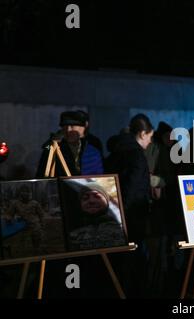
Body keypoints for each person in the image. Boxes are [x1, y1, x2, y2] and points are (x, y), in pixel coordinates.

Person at [104, 113, 154, 297]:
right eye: (150, 136)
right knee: (134, 265)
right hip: (132, 219)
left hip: (113, 216)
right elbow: (132, 190)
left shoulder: (116, 152)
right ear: (142, 133)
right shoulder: (136, 156)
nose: (150, 142)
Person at [36, 111, 103, 177]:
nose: (68, 130)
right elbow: (45, 148)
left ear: (83, 127)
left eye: (72, 126)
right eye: (65, 126)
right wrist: (52, 142)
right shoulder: (56, 144)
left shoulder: (92, 143)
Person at [68, 182, 126, 251]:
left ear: (107, 201)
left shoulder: (123, 228)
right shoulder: (72, 236)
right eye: (85, 198)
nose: (91, 201)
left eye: (97, 196)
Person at [3, 184, 44, 255]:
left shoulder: (35, 203)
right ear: (20, 193)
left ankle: (36, 253)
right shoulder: (15, 203)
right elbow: (9, 214)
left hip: (35, 226)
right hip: (22, 227)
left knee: (37, 245)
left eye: (27, 192)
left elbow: (41, 214)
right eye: (23, 191)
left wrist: (42, 224)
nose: (25, 193)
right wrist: (9, 219)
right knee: (23, 247)